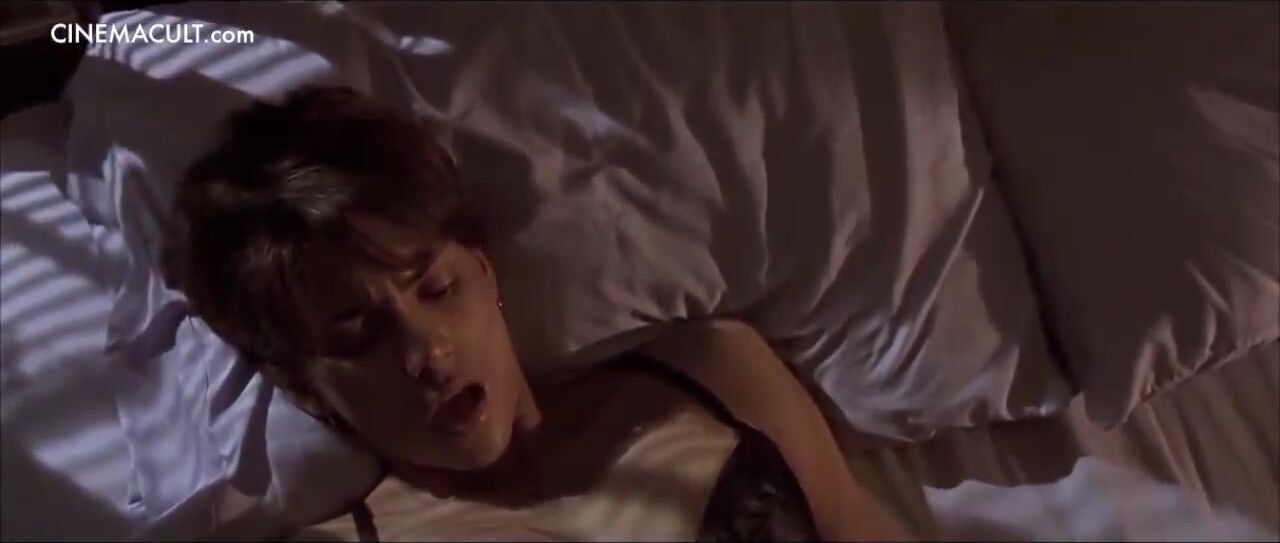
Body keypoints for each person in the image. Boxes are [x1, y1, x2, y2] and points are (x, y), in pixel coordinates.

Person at [166, 85, 911, 542]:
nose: (428, 351)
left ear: (485, 270)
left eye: (438, 288)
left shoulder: (714, 372)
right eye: (359, 334)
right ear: (304, 386)